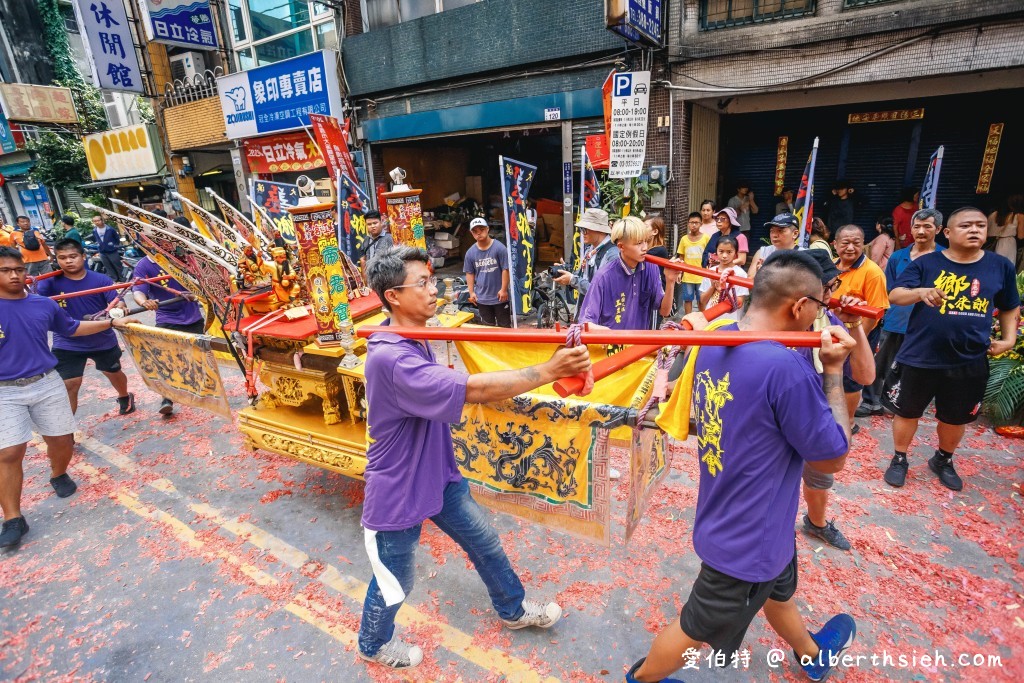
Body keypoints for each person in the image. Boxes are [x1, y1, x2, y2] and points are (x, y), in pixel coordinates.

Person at [626, 250, 857, 683]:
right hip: (747, 538)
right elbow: (832, 456)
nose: (818, 320)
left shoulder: (718, 340)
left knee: (777, 594)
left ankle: (811, 653)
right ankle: (640, 680)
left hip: (749, 514)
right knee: (696, 627)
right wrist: (833, 373)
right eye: (819, 309)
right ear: (799, 307)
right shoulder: (785, 368)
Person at [358, 246, 590, 668]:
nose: (435, 289)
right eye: (423, 283)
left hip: (439, 473)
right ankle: (373, 643)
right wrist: (550, 370)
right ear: (393, 296)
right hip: (398, 488)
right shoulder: (393, 357)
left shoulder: (412, 332)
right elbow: (474, 391)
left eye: (432, 279)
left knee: (485, 541)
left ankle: (513, 609)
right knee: (396, 579)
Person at [0, 246, 131, 548]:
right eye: (6, 270)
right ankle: (12, 517)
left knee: (61, 440)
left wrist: (110, 323)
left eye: (18, 269)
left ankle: (58, 473)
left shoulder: (42, 305)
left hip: (46, 383)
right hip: (5, 391)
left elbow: (71, 328)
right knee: (8, 452)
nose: (14, 275)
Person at [882, 207, 1020, 491]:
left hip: (969, 357)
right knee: (907, 411)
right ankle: (899, 458)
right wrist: (920, 292)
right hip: (921, 352)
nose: (974, 230)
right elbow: (895, 294)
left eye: (980, 226)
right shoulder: (927, 264)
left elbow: (1009, 305)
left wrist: (1008, 339)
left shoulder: (1000, 266)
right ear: (948, 233)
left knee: (956, 416)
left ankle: (943, 459)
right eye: (966, 225)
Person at [797, 249, 874, 551]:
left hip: (818, 416)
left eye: (833, 286)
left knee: (819, 477)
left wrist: (852, 323)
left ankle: (816, 523)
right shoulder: (773, 319)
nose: (832, 294)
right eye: (827, 288)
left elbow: (866, 376)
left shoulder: (827, 318)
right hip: (778, 417)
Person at [857, 208, 945, 418]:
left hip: (927, 323)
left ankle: (906, 405)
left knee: (916, 367)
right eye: (917, 226)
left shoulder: (944, 257)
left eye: (927, 226)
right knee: (881, 363)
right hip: (897, 318)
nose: (921, 231)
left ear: (939, 229)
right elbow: (888, 290)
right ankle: (871, 402)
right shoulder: (898, 257)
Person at [35, 239, 134, 416]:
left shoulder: (101, 280)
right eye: (62, 257)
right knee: (69, 384)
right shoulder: (48, 283)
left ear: (83, 256)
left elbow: (117, 300)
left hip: (101, 338)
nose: (68, 261)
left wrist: (119, 308)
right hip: (67, 341)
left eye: (73, 256)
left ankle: (124, 395)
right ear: (56, 260)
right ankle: (66, 430)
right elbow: (34, 303)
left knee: (113, 372)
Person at [832, 224, 890, 429]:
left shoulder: (872, 272)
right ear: (835, 244)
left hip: (859, 334)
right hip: (833, 333)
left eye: (856, 243)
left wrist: (854, 341)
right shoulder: (831, 267)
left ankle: (848, 422)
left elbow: (875, 314)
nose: (850, 248)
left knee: (851, 379)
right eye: (845, 243)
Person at [132, 255, 205, 416]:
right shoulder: (144, 265)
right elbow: (137, 290)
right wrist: (144, 302)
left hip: (193, 316)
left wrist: (196, 294)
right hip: (167, 317)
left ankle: (199, 388)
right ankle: (167, 398)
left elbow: (201, 283)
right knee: (166, 359)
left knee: (197, 356)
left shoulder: (182, 257)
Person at [577, 216, 674, 330]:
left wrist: (670, 281)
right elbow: (586, 323)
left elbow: (664, 311)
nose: (645, 248)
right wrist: (609, 334)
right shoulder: (604, 276)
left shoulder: (651, 268)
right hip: (612, 345)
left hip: (640, 345)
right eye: (638, 243)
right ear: (621, 246)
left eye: (646, 241)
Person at [552, 208, 618, 298]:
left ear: (599, 230)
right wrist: (567, 271)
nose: (582, 233)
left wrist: (572, 280)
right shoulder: (590, 249)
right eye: (581, 229)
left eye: (585, 229)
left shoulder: (613, 255)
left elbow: (604, 291)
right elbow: (583, 276)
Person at [464, 217, 511, 328]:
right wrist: (471, 292)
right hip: (482, 298)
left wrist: (504, 289)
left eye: (481, 229)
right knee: (487, 328)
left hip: (500, 297)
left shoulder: (500, 248)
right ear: (472, 233)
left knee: (504, 327)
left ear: (488, 229)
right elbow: (469, 273)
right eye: (475, 231)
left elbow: (506, 269)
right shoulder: (470, 253)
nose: (479, 233)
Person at [697, 235, 748, 321]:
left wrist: (723, 290)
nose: (724, 256)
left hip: (730, 320)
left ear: (735, 253)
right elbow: (702, 301)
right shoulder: (711, 271)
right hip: (711, 318)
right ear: (716, 252)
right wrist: (712, 287)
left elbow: (739, 302)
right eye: (721, 251)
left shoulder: (740, 274)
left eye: (729, 252)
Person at [675, 212, 710, 316]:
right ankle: (688, 320)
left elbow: (709, 256)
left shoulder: (706, 238)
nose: (694, 225)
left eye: (696, 222)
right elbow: (681, 257)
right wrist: (680, 273)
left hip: (702, 276)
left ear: (701, 224)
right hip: (688, 276)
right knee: (687, 299)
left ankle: (702, 320)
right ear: (688, 224)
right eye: (691, 222)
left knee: (702, 300)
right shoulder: (684, 239)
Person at [748, 212, 800, 278]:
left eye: (780, 231)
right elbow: (749, 281)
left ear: (795, 234)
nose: (774, 235)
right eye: (772, 231)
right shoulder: (762, 252)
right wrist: (760, 274)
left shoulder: (805, 256)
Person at [987, 194, 1023, 265]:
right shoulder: (1019, 216)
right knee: (1005, 268)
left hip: (990, 244)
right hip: (1008, 244)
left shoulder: (993, 214)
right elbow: (1021, 236)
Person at [91, 215, 123, 282]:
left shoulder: (110, 229)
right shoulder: (94, 230)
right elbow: (96, 239)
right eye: (95, 221)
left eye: (98, 220)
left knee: (117, 265)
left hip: (112, 251)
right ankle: (114, 279)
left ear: (102, 220)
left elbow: (117, 239)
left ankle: (122, 279)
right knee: (108, 266)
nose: (96, 222)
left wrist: (114, 246)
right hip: (102, 251)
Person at [360, 210, 392, 276]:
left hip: (386, 277)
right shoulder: (366, 240)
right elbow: (363, 259)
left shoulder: (389, 238)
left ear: (380, 222)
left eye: (375, 223)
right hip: (370, 278)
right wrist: (365, 278)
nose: (372, 226)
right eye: (369, 224)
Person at [645, 216, 670, 288]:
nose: (641, 230)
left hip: (657, 292)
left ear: (655, 231)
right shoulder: (648, 248)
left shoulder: (659, 250)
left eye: (645, 227)